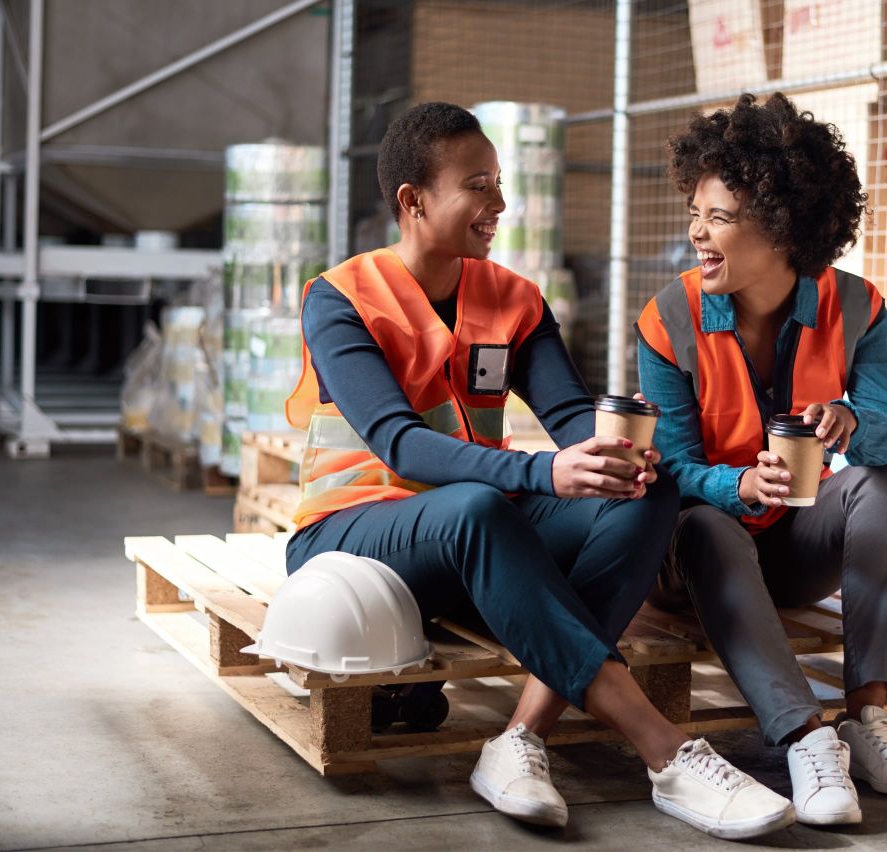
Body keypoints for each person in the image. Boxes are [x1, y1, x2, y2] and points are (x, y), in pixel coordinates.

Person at [283, 101, 795, 840]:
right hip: (350, 541)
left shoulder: (512, 299)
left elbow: (571, 417)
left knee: (644, 493)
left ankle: (519, 740)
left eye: (498, 182)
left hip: (473, 541)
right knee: (480, 506)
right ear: (413, 201)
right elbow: (400, 444)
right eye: (477, 186)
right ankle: (667, 752)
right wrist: (544, 474)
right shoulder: (341, 299)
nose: (499, 203)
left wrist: (618, 456)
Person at [636, 93, 887, 828]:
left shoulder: (857, 307)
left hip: (793, 554)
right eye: (695, 213)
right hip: (693, 561)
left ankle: (867, 718)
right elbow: (671, 468)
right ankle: (806, 738)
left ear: (780, 224)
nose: (696, 233)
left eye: (718, 217)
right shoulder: (668, 319)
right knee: (705, 523)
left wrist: (854, 422)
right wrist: (736, 483)